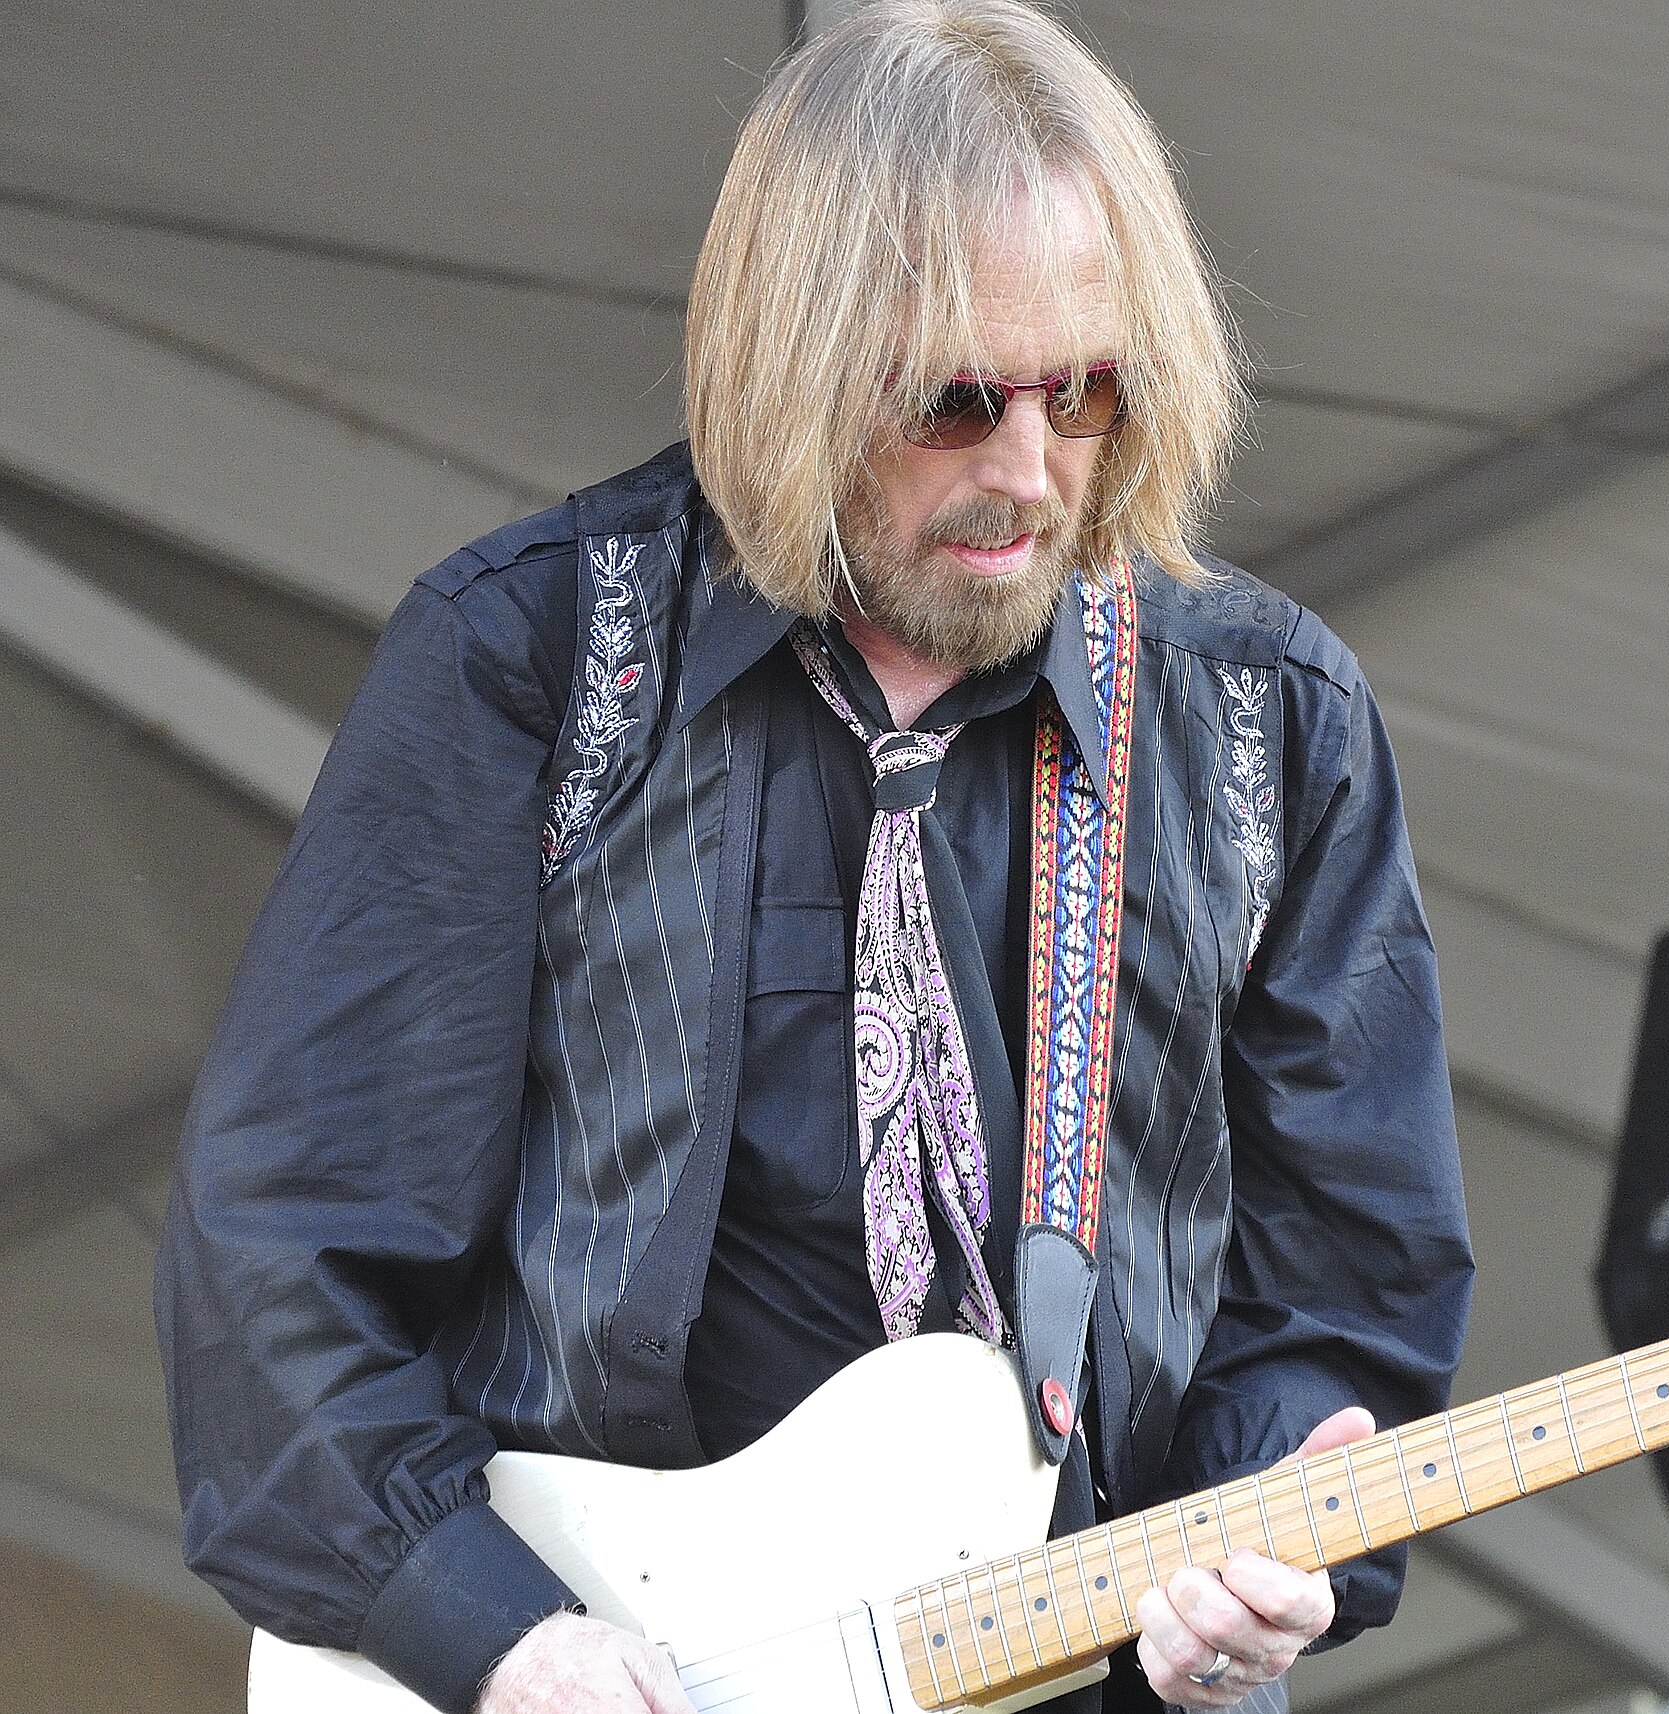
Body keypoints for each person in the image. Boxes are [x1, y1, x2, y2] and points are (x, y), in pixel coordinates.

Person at [152, 4, 1473, 1711]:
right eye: (952, 400)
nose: (1028, 470)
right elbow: (278, 1255)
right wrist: (498, 1636)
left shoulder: (1259, 721)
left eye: (1084, 390)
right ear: (797, 361)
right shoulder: (533, 659)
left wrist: (1265, 1539)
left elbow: (1344, 1292)